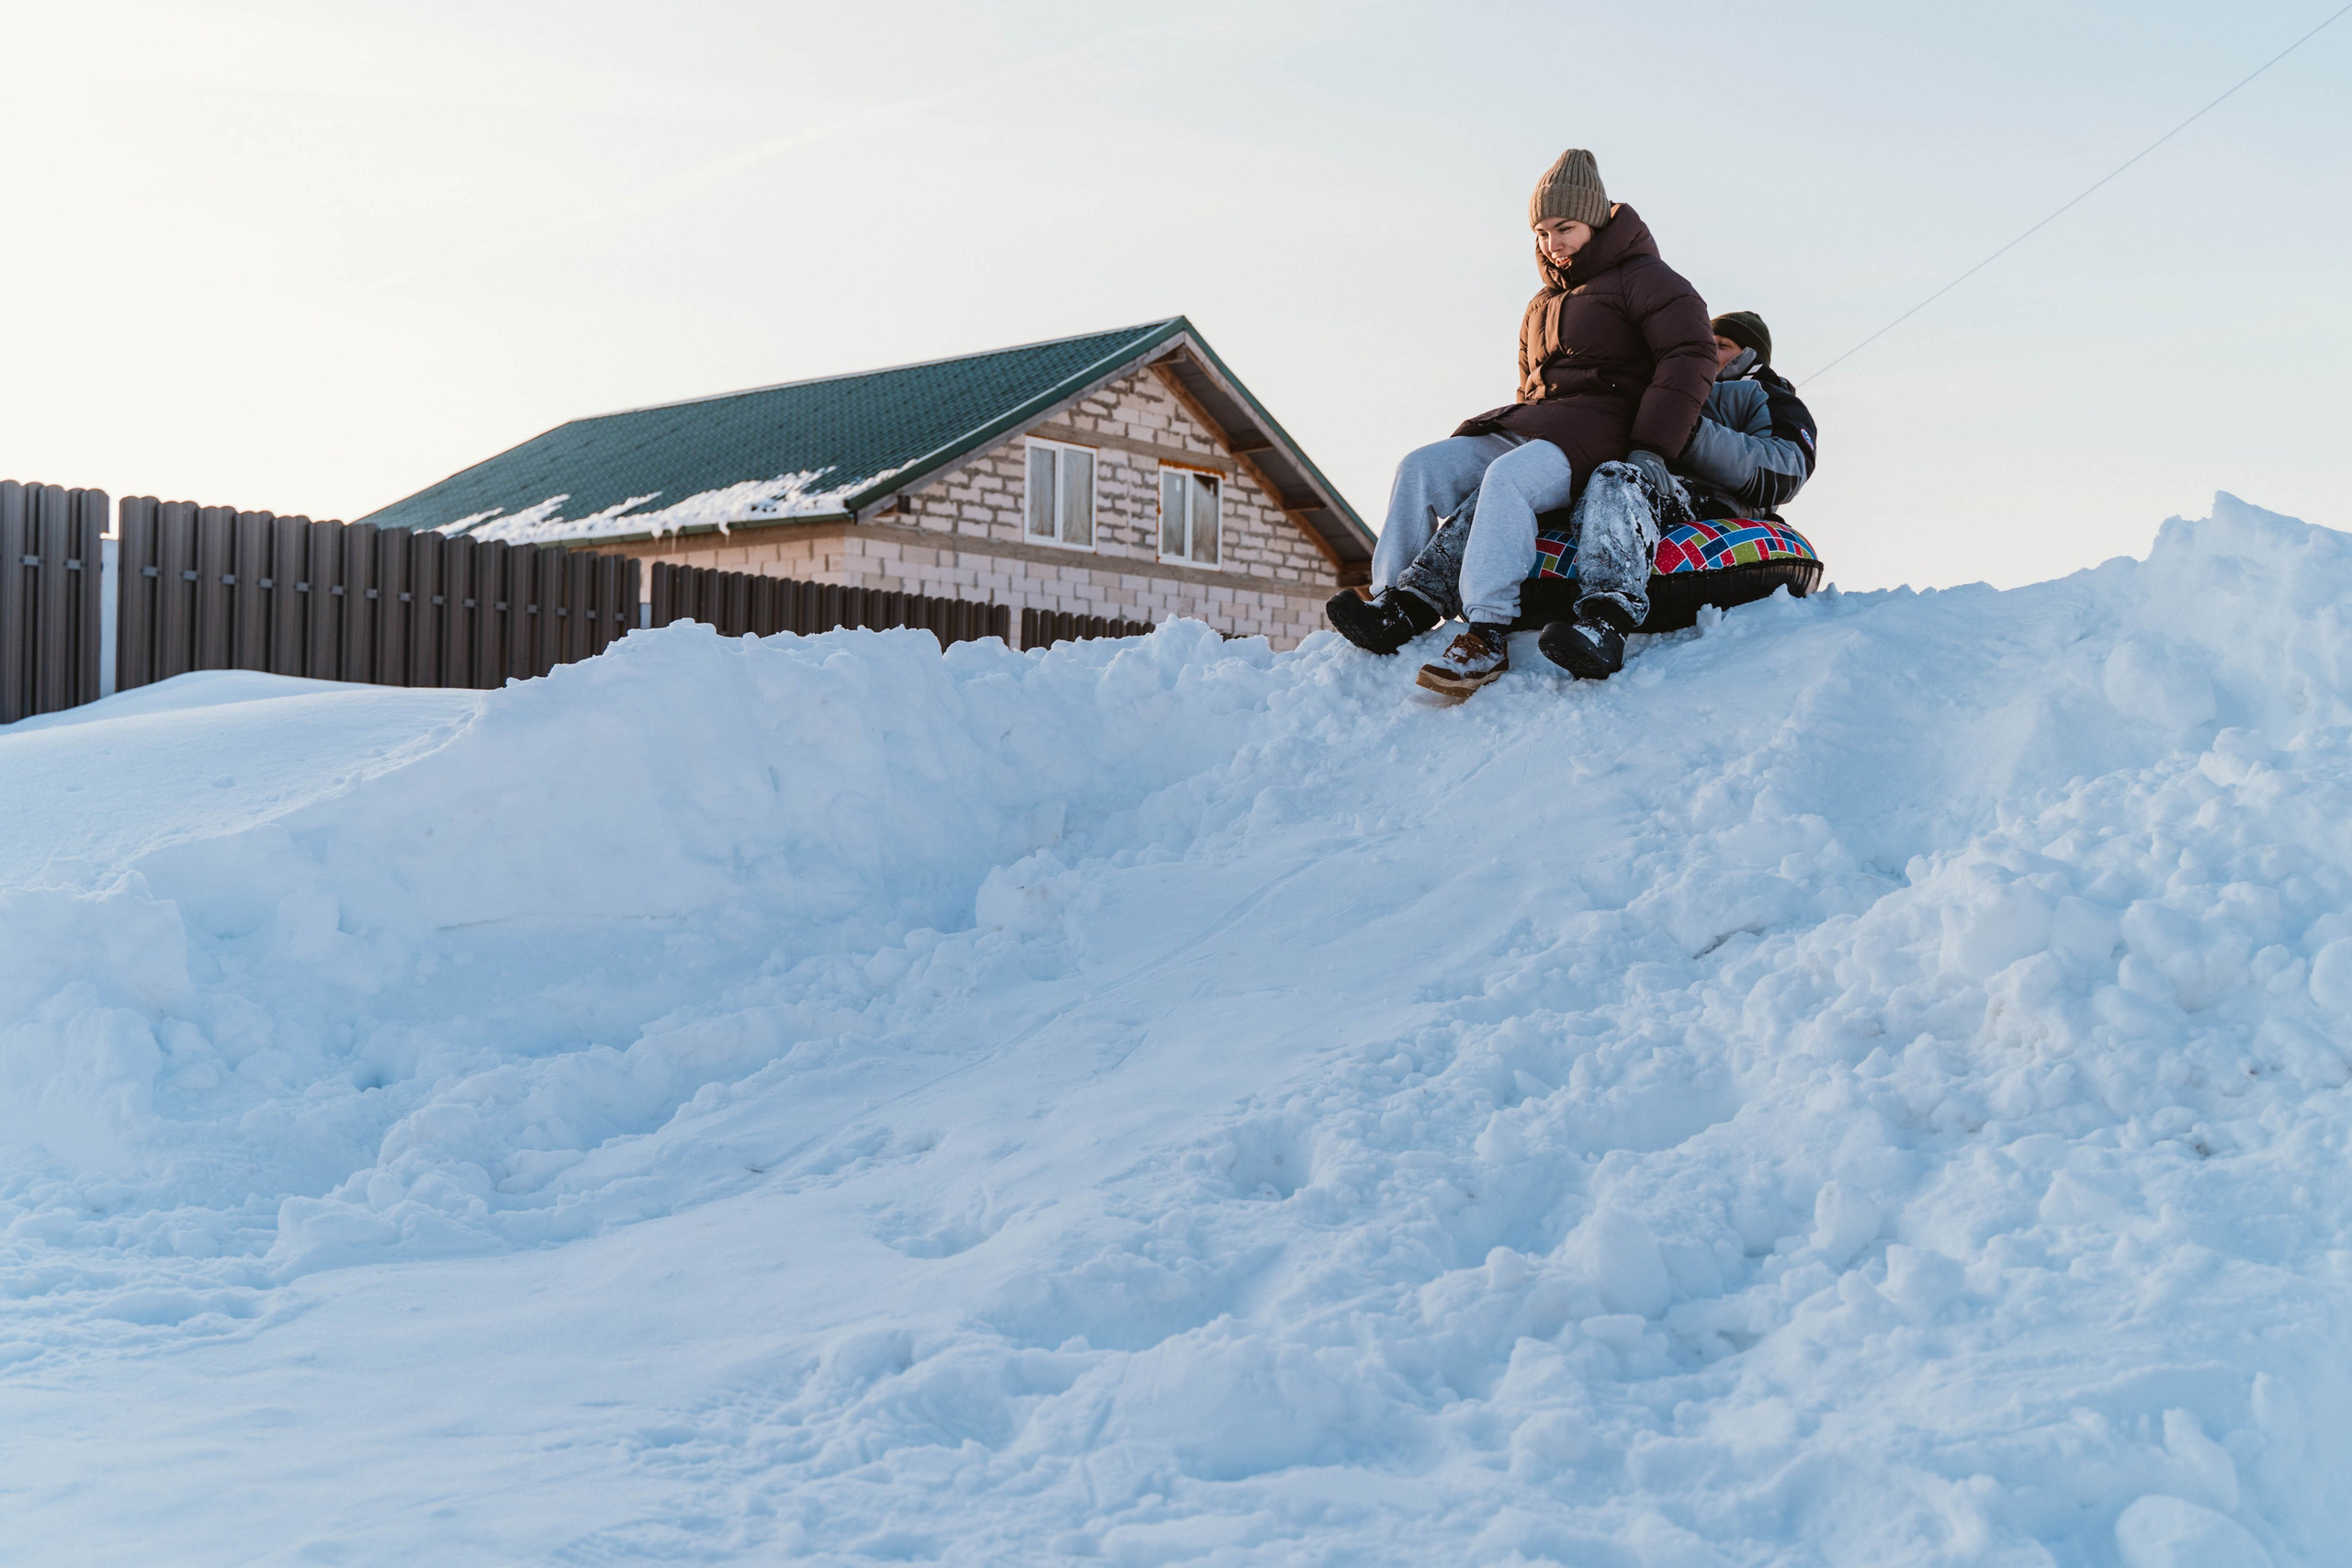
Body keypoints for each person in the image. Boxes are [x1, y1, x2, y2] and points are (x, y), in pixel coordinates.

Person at [1327, 147, 1716, 695]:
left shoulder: (1648, 279)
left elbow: (1689, 355)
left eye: (1565, 227)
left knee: (1506, 480)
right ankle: (1395, 602)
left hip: (1600, 431)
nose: (1551, 243)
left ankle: (1486, 630)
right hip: (1538, 422)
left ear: (1598, 221)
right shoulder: (1541, 303)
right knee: (1421, 466)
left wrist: (1651, 446)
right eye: (1540, 232)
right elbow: (1530, 385)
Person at [1678, 310, 1817, 522]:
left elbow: (1786, 469)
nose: (1710, 351)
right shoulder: (1677, 388)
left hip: (1721, 514)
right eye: (1707, 343)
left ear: (1751, 355)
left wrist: (1691, 433)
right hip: (1665, 488)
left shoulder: (1773, 398)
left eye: (1723, 345)